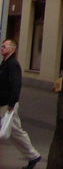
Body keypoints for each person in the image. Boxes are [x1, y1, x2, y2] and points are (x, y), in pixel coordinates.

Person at [0, 39, 42, 169]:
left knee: (16, 132)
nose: (2, 48)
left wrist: (11, 104)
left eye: (4, 46)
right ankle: (33, 155)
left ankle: (33, 155)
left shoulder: (13, 64)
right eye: (2, 46)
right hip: (3, 103)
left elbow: (16, 85)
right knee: (14, 132)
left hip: (8, 104)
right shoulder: (5, 63)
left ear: (13, 49)